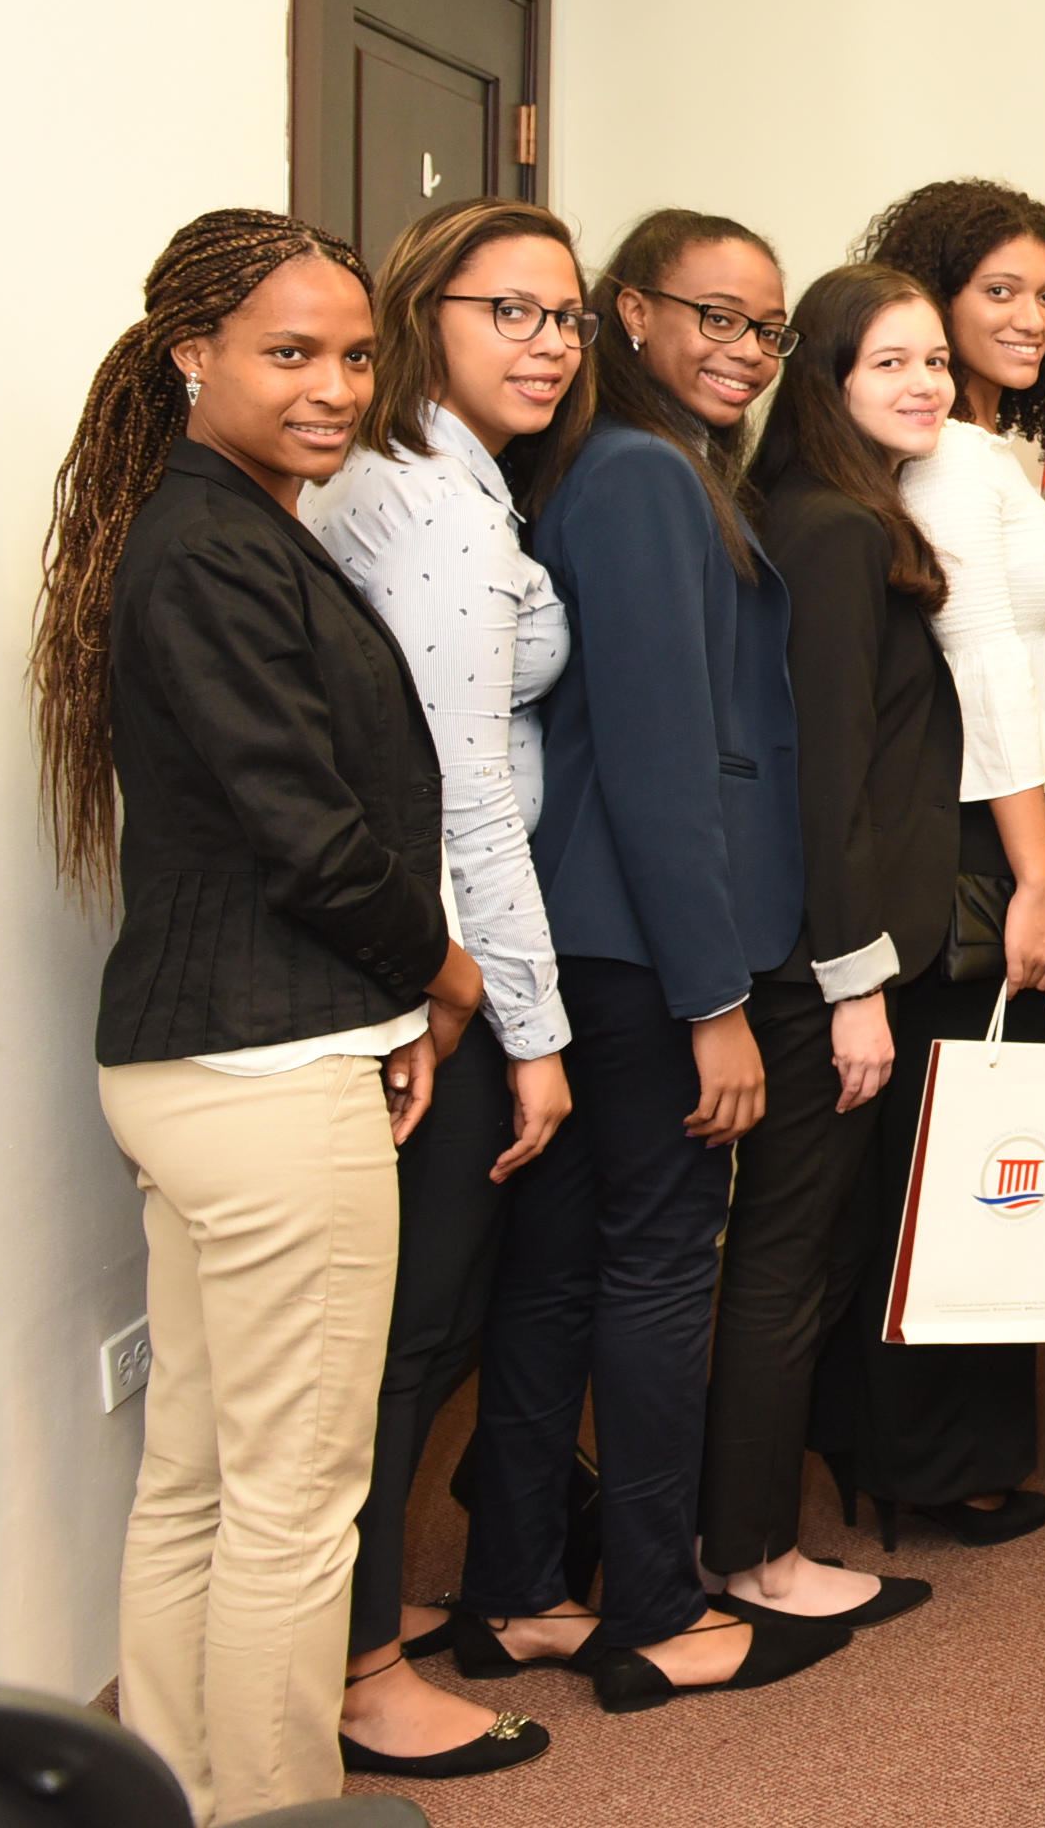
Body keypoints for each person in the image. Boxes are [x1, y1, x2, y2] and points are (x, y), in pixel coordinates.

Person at [38, 212, 471, 1817]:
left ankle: (178, 1792)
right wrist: (443, 975)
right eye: (292, 353)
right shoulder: (212, 544)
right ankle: (273, 1808)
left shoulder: (219, 525)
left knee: (202, 1483)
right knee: (297, 1500)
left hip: (221, 1063)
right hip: (262, 1071)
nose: (335, 386)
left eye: (356, 355)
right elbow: (308, 834)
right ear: (191, 360)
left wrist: (384, 1019)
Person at [459, 209, 843, 1713]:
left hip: (601, 947)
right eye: (713, 317)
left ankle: (516, 1597)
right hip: (644, 947)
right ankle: (657, 1613)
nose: (744, 349)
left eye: (766, 328)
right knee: (656, 1272)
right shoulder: (633, 475)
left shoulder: (655, 465)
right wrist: (716, 1003)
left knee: (559, 1274)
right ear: (630, 312)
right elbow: (664, 760)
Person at [305, 200, 592, 1781]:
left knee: (414, 1334)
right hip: (452, 982)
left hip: (441, 967)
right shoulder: (437, 510)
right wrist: (530, 1034)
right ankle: (365, 1669)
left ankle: (367, 1647)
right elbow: (468, 794)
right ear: (429, 314)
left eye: (566, 317)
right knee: (410, 1342)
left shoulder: (443, 481)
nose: (547, 342)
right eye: (512, 311)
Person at [832, 177, 1045, 1547]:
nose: (1033, 318)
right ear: (927, 298)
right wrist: (1039, 883)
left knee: (974, 1155)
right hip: (975, 839)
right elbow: (987, 672)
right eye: (998, 290)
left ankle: (934, 1450)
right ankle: (928, 1463)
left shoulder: (988, 449)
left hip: (1002, 825)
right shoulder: (946, 457)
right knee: (958, 1164)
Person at [696, 266, 962, 1628]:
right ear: (829, 381)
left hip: (842, 959)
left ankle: (742, 1528)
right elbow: (825, 780)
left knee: (812, 1255)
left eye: (936, 361)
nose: (926, 383)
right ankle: (747, 1552)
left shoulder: (841, 512)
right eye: (890, 363)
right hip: (828, 971)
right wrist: (855, 984)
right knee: (790, 1264)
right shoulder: (836, 534)